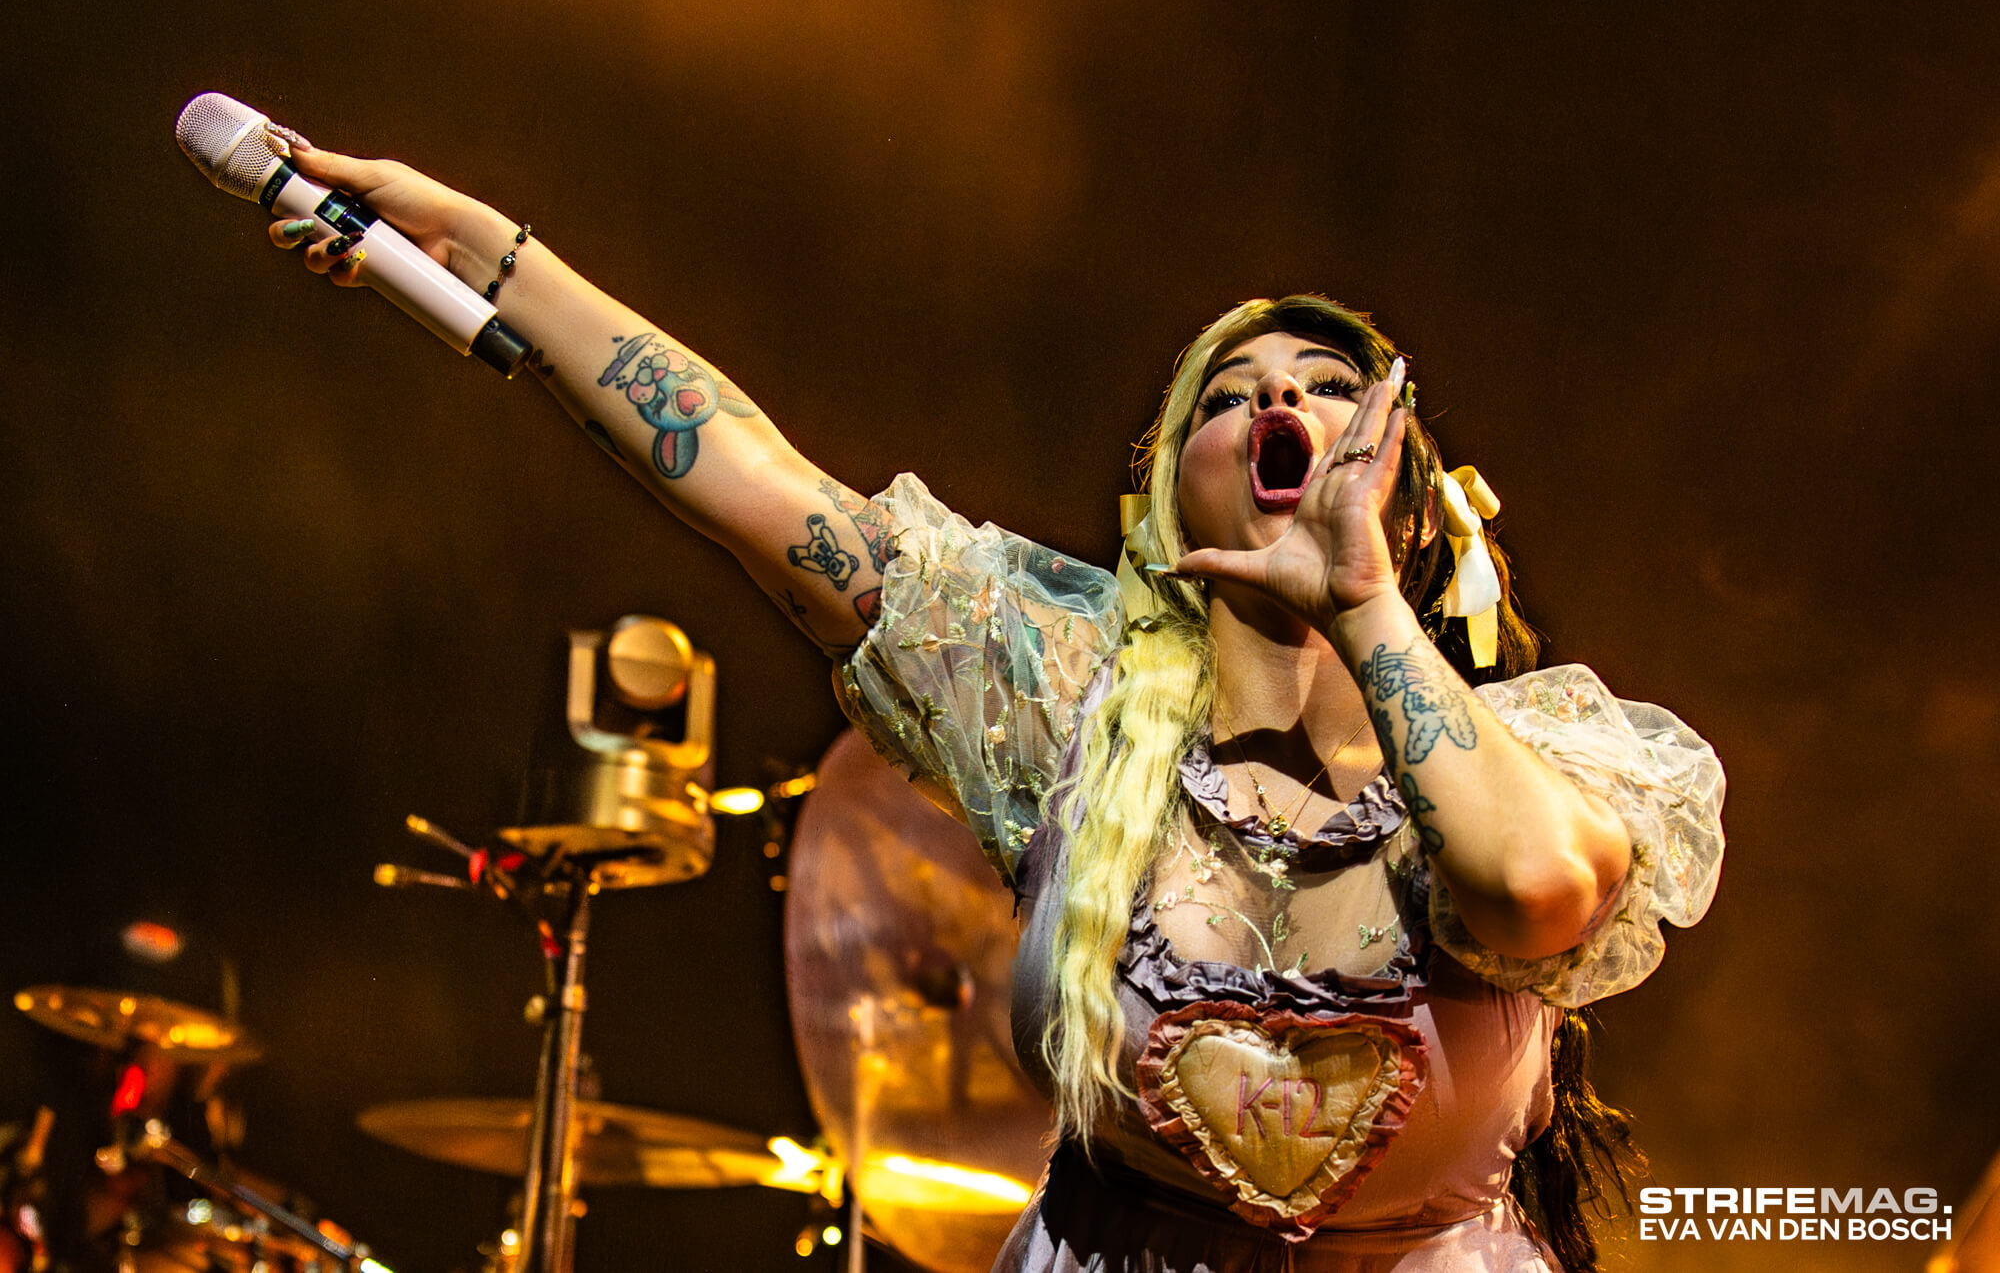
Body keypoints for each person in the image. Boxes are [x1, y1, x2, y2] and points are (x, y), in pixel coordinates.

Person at [267, 136, 1725, 1272]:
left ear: (1403, 490)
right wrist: (479, 247)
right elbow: (745, 475)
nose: (1278, 403)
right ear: (1171, 495)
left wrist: (1362, 603)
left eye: (1329, 385)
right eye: (1228, 395)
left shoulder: (1542, 754)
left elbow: (1535, 892)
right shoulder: (1059, 696)